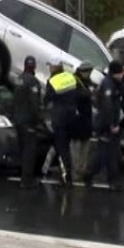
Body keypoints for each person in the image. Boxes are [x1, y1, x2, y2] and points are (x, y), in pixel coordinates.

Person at [82, 60, 124, 191]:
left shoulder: (115, 83)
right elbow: (107, 106)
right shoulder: (108, 85)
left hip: (108, 122)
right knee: (108, 152)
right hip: (105, 123)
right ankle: (110, 180)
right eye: (120, 73)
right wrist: (112, 124)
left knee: (107, 152)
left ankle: (92, 174)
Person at [43, 57, 79, 187]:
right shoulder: (70, 77)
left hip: (59, 118)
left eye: (50, 66)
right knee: (67, 148)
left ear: (55, 67)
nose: (49, 68)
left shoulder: (52, 81)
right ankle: (68, 173)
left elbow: (47, 99)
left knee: (61, 148)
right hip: (72, 117)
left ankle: (66, 178)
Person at [12, 56, 43, 189]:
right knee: (29, 151)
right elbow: (34, 103)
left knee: (22, 149)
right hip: (28, 121)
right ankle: (27, 180)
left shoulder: (19, 80)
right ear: (34, 66)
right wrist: (38, 120)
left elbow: (14, 100)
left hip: (18, 120)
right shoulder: (33, 82)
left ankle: (22, 175)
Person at [70, 61, 95, 182]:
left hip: (85, 119)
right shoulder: (74, 82)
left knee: (85, 146)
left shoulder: (87, 82)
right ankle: (76, 170)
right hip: (77, 119)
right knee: (76, 147)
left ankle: (82, 169)